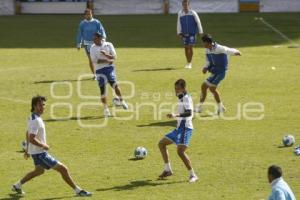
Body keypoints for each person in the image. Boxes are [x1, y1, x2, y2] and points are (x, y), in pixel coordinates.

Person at [12, 96, 91, 197]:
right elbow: (31, 138)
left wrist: (27, 150)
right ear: (34, 106)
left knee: (39, 171)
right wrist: (43, 145)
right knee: (63, 169)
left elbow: (27, 133)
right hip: (40, 153)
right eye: (40, 105)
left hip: (36, 153)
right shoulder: (35, 121)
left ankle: (17, 185)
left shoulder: (32, 117)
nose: (43, 107)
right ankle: (78, 190)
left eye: (44, 105)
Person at [158, 79, 198, 182]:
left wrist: (176, 115)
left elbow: (189, 113)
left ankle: (193, 175)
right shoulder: (181, 97)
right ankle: (167, 170)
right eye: (175, 89)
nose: (176, 91)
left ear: (184, 88)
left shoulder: (186, 98)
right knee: (161, 144)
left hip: (186, 128)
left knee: (180, 152)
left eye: (178, 89)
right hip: (179, 128)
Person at [195, 34, 241, 114]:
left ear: (209, 43)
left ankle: (219, 108)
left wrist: (236, 52)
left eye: (204, 43)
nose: (203, 44)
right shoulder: (207, 50)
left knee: (212, 89)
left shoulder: (220, 48)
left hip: (222, 71)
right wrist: (205, 67)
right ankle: (201, 107)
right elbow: (208, 61)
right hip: (215, 71)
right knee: (204, 86)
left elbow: (228, 50)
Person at [90, 32, 128, 118]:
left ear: (100, 38)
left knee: (115, 85)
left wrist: (105, 54)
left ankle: (122, 101)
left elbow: (114, 57)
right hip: (99, 70)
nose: (93, 40)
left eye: (95, 38)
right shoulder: (92, 48)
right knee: (103, 90)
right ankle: (106, 109)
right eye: (93, 38)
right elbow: (95, 60)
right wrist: (107, 60)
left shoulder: (108, 45)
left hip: (109, 69)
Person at [76, 8, 107, 79]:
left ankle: (102, 72)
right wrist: (79, 43)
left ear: (92, 14)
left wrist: (103, 38)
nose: (88, 15)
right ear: (85, 15)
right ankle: (95, 74)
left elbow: (102, 30)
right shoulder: (82, 23)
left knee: (99, 58)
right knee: (91, 59)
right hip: (87, 44)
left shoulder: (96, 22)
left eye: (89, 14)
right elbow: (79, 33)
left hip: (96, 43)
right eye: (87, 14)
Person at [177, 0, 203, 69]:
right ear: (182, 5)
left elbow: (198, 22)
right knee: (186, 48)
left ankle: (190, 63)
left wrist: (200, 31)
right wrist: (179, 32)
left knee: (190, 47)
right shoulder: (180, 13)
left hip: (192, 33)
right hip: (184, 34)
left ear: (189, 5)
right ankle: (187, 62)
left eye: (186, 5)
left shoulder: (193, 13)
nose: (185, 6)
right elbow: (178, 23)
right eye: (184, 5)